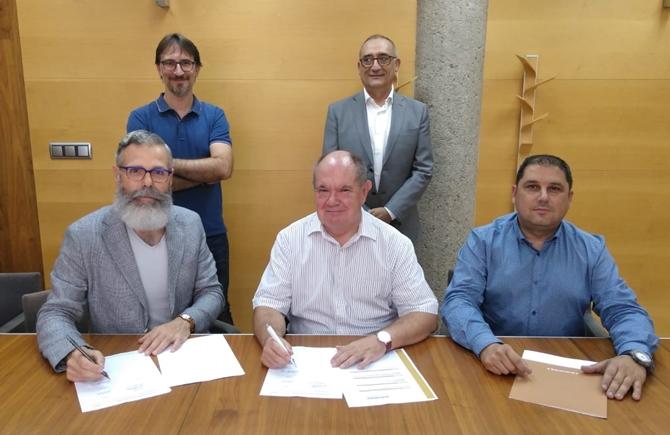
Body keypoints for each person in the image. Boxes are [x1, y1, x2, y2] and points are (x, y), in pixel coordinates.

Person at [441, 154, 658, 401]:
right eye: (532, 187)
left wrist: (634, 354)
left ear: (569, 198)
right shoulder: (483, 242)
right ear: (515, 194)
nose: (543, 197)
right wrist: (486, 344)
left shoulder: (591, 249)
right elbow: (458, 301)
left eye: (554, 189)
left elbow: (623, 309)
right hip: (493, 365)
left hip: (564, 369)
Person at [37, 130, 224, 382]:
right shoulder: (84, 235)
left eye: (158, 172)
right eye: (135, 171)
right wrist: (72, 353)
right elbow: (55, 312)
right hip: (116, 365)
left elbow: (211, 292)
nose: (147, 182)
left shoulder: (190, 224)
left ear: (169, 179)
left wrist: (185, 321)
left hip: (181, 360)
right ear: (118, 175)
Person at [252, 150, 438, 370]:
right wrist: (271, 339)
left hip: (373, 360)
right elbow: (268, 306)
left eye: (344, 190)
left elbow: (424, 313)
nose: (332, 200)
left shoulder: (394, 244)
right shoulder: (290, 240)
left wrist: (382, 340)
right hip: (305, 360)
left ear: (364, 191)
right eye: (323, 190)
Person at [127, 33, 234, 324]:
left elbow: (223, 167)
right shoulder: (140, 118)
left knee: (215, 311)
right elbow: (141, 181)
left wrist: (163, 166)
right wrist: (205, 175)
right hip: (155, 234)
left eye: (186, 63)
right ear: (159, 68)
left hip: (210, 234)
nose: (178, 70)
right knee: (162, 315)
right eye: (170, 63)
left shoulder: (214, 116)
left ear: (197, 69)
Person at [323, 34, 433, 244]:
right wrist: (361, 211)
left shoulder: (417, 112)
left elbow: (424, 169)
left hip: (401, 225)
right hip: (349, 222)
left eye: (383, 58)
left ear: (396, 65)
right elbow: (331, 170)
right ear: (359, 67)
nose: (375, 66)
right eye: (367, 59)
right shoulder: (338, 112)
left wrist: (391, 210)